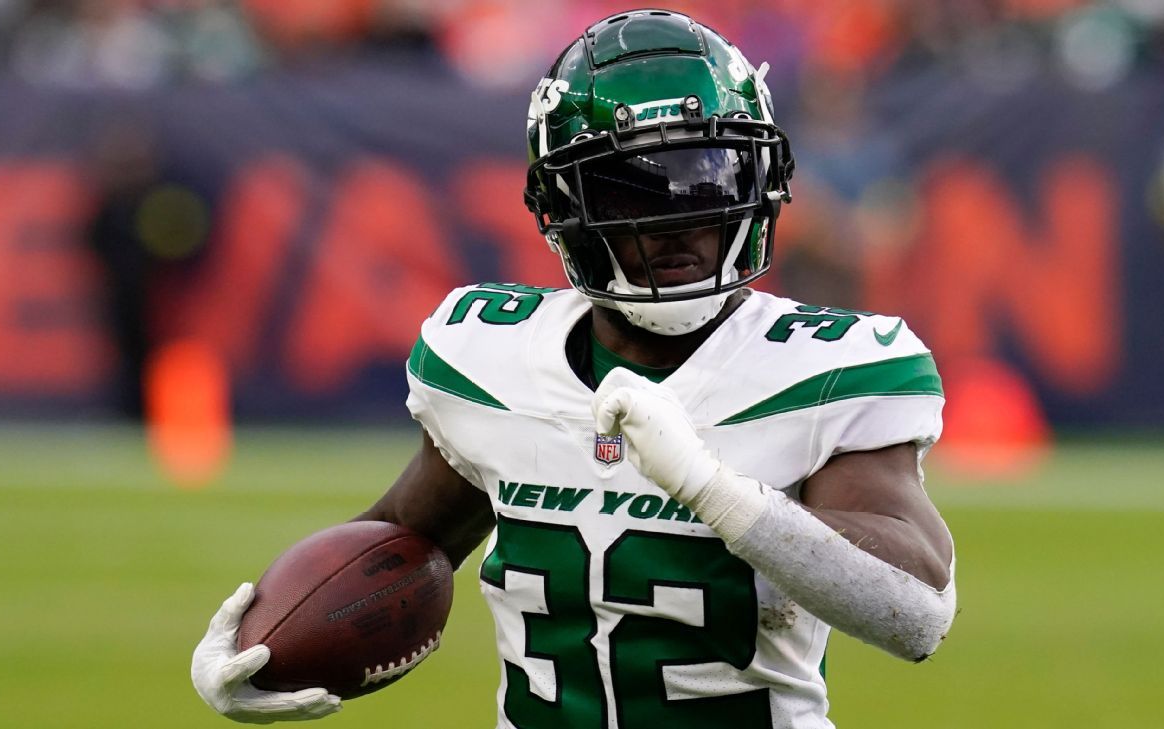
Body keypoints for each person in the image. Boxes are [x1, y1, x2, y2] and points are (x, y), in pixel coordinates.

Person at [192, 9, 957, 728]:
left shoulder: (829, 368)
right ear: (563, 208)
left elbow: (919, 611)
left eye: (710, 177)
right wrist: (269, 637)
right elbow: (402, 537)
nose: (680, 219)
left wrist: (713, 492)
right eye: (635, 189)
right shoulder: (490, 360)